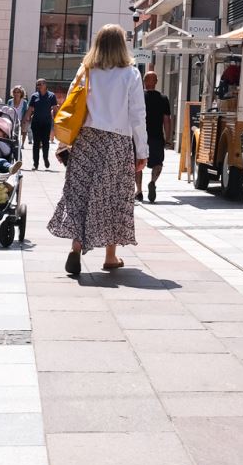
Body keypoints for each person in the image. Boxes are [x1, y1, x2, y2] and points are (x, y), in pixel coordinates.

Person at [48, 24, 146, 277]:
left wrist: (63, 143)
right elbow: (138, 115)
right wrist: (142, 150)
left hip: (86, 140)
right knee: (113, 197)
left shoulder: (85, 70)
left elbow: (69, 107)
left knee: (80, 193)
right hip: (117, 142)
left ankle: (76, 248)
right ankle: (110, 256)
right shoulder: (131, 74)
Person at [141, 72, 172, 203]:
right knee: (158, 163)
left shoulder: (139, 97)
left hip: (140, 136)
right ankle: (153, 181)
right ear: (156, 82)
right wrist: (168, 138)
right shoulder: (163, 98)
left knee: (138, 163)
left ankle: (138, 190)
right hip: (157, 137)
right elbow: (167, 120)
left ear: (144, 81)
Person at [23, 78, 58, 171]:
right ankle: (35, 163)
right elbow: (30, 109)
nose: (38, 86)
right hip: (36, 122)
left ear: (45, 85)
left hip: (46, 123)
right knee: (36, 144)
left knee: (46, 142)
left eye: (40, 84)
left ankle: (46, 159)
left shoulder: (51, 96)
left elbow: (55, 109)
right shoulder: (34, 96)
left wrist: (57, 120)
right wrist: (25, 119)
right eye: (37, 84)